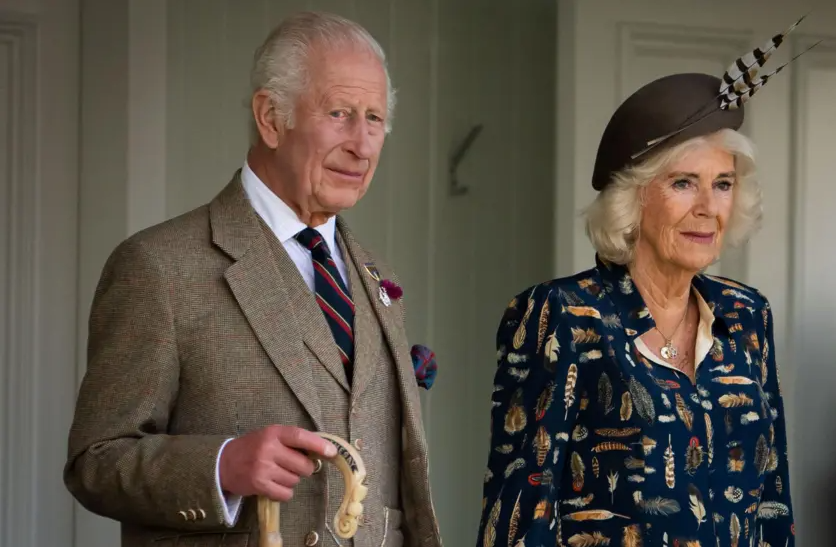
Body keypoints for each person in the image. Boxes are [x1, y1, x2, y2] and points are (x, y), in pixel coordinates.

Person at [64, 11, 441, 547]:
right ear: (270, 117)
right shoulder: (158, 266)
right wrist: (219, 466)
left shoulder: (378, 276)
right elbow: (95, 461)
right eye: (340, 113)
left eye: (375, 119)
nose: (363, 144)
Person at [475, 20, 807, 547]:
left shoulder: (747, 315)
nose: (707, 207)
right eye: (682, 183)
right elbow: (519, 514)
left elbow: (772, 496)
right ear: (633, 199)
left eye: (722, 184)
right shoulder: (561, 314)